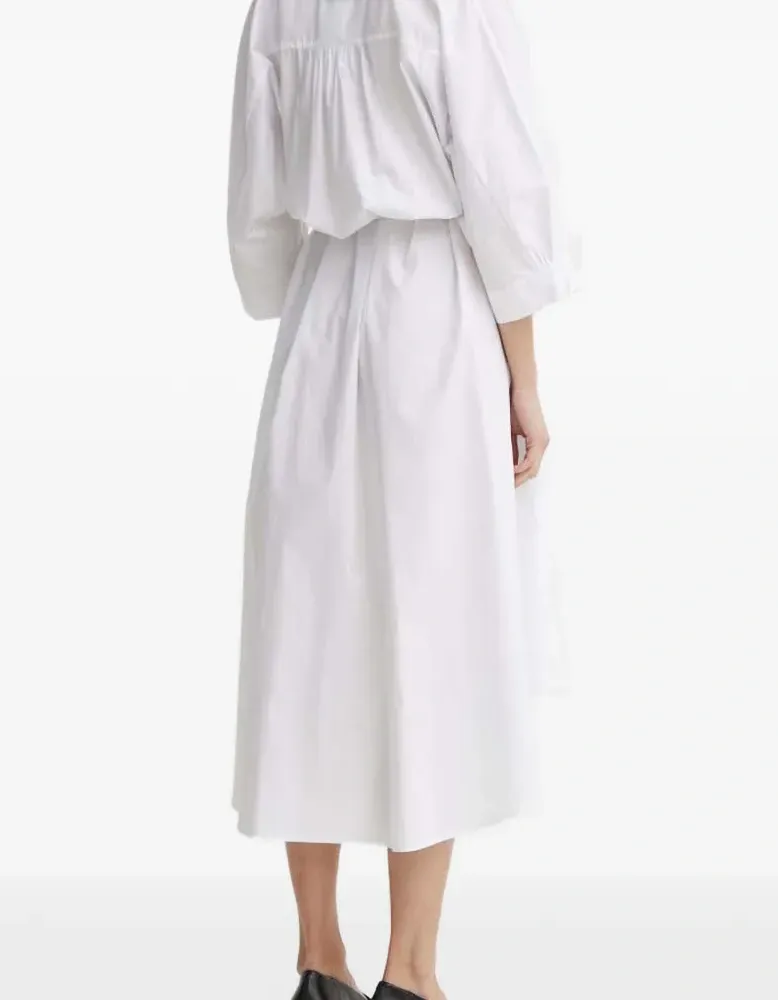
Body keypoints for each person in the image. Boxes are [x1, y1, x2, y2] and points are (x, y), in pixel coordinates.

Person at [227, 1, 574, 998]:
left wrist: (309, 278)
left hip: (320, 306)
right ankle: (411, 970)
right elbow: (504, 184)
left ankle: (318, 955)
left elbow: (256, 214)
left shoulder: (277, 7)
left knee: (308, 634)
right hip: (435, 306)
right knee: (431, 631)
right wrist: (524, 377)